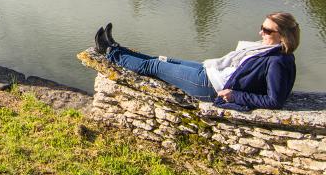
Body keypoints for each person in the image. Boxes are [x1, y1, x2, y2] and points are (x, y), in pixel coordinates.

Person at [94, 12, 300, 111]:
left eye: (266, 30)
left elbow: (275, 101)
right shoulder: (270, 50)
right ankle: (116, 47)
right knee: (161, 59)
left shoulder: (278, 62)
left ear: (283, 36)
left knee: (154, 66)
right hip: (210, 72)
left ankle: (108, 52)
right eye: (262, 27)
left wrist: (235, 95)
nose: (260, 32)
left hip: (210, 86)